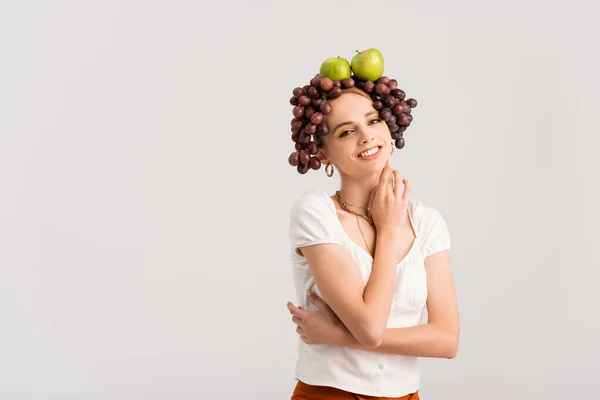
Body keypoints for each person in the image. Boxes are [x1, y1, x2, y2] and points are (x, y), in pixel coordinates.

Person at [285, 70, 460, 399]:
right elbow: (368, 326)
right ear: (323, 154)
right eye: (346, 131)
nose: (366, 136)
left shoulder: (428, 223)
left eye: (374, 120)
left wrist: (338, 337)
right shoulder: (315, 213)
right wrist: (390, 231)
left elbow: (447, 340)